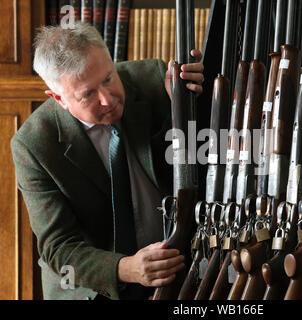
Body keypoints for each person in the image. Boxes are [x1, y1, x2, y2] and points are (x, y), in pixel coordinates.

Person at [10, 23, 204, 300]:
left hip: (175, 269)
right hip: (92, 287)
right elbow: (59, 247)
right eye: (88, 94)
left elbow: (201, 156)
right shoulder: (33, 145)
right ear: (58, 99)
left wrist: (196, 99)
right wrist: (125, 268)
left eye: (108, 78)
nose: (108, 99)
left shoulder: (155, 79)